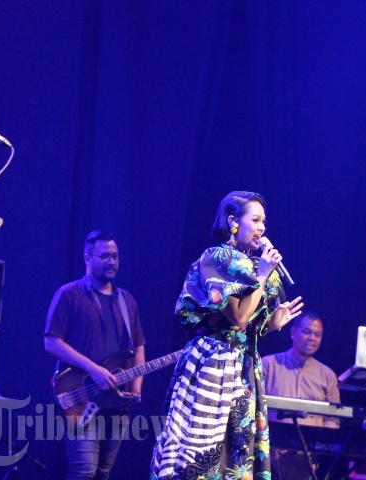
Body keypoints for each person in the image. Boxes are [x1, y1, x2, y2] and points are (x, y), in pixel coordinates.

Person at [151, 190, 304, 480]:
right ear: (233, 222)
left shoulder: (253, 265)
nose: (262, 228)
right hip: (214, 363)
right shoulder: (218, 258)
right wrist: (262, 275)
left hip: (244, 366)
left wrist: (273, 323)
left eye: (264, 221)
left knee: (237, 453)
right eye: (255, 220)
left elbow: (248, 326)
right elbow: (237, 316)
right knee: (203, 452)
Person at [44, 230, 146, 480]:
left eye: (115, 256)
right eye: (105, 256)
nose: (112, 262)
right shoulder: (69, 294)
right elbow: (51, 342)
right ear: (87, 258)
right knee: (84, 472)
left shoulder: (127, 301)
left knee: (102, 474)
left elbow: (138, 347)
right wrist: (94, 369)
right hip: (81, 398)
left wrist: (136, 387)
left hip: (117, 403)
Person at [262, 314, 341, 480]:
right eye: (307, 332)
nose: (312, 338)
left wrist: (320, 445)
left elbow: (333, 418)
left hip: (306, 465)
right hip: (269, 461)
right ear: (293, 333)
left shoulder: (328, 376)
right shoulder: (268, 365)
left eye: (317, 334)